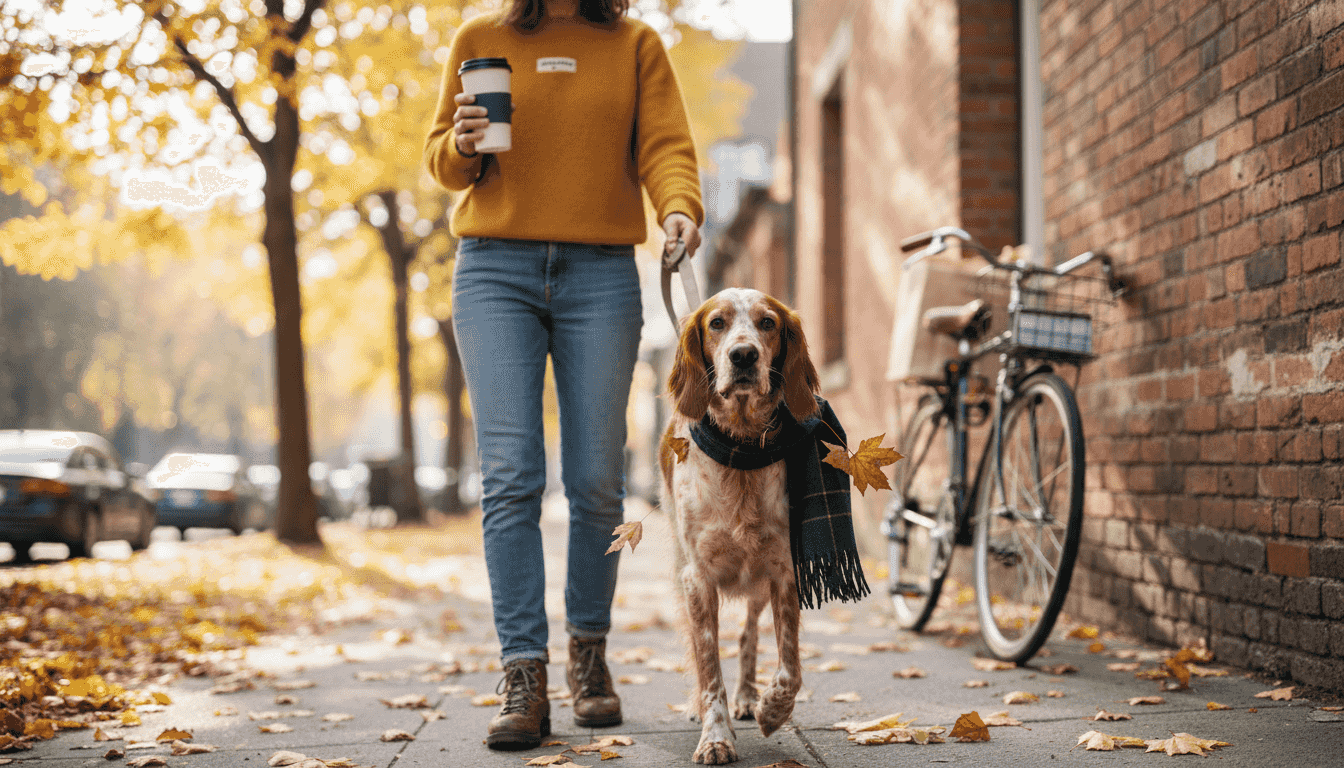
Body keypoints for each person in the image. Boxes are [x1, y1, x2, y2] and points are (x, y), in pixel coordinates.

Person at [422, 0, 703, 751]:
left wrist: (678, 208)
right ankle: (523, 672)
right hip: (494, 270)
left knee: (597, 480)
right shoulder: (481, 37)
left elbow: (666, 146)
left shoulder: (634, 43)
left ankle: (588, 651)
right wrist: (462, 144)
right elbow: (442, 160)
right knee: (511, 474)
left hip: (601, 273)